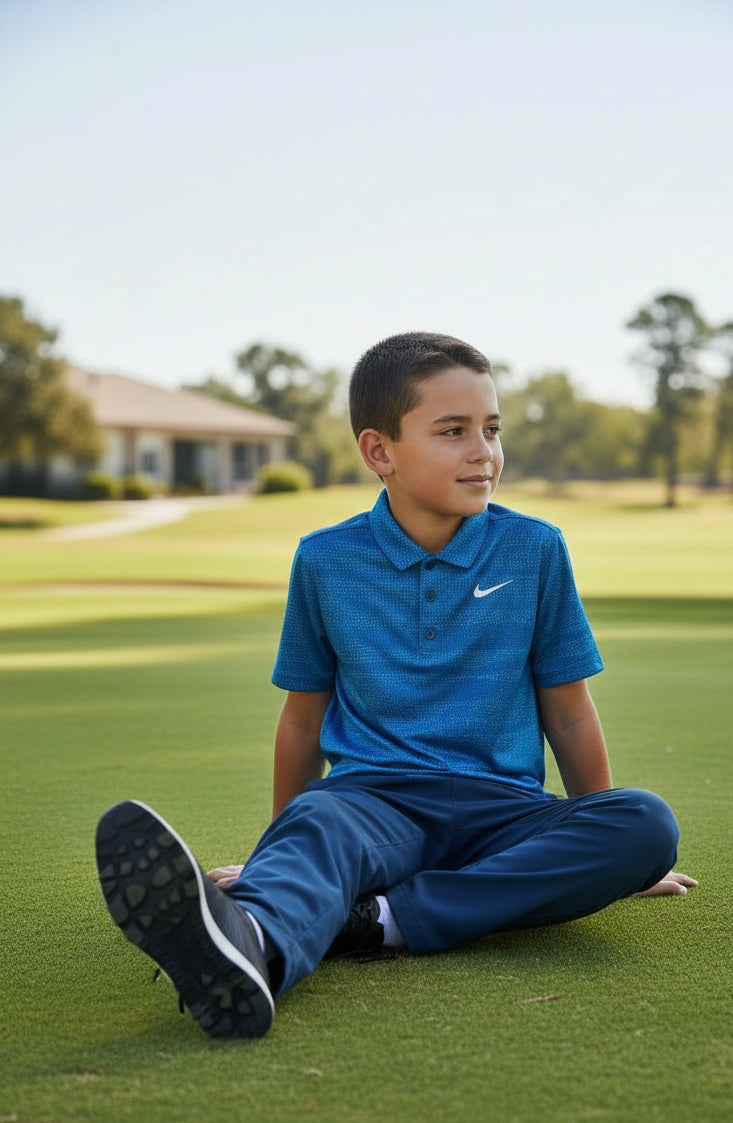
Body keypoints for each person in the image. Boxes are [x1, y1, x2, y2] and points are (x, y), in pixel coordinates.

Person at [95, 330, 696, 1040]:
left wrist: (611, 860)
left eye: (491, 430)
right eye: (453, 431)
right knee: (319, 823)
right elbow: (301, 720)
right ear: (380, 452)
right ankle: (250, 945)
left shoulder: (536, 549)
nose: (483, 451)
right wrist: (272, 852)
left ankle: (377, 921)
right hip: (371, 804)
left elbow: (567, 713)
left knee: (645, 824)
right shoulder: (324, 560)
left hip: (501, 813)